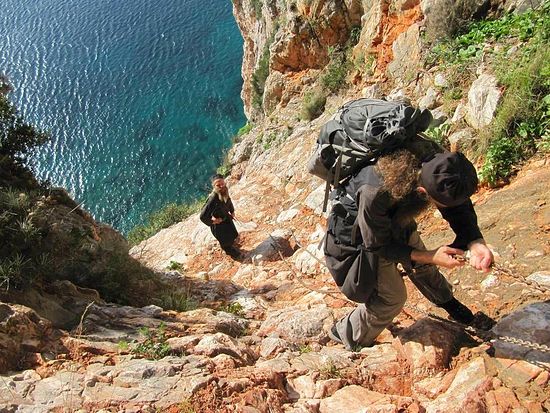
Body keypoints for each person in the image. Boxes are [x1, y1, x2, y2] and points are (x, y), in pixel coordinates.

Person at [324, 140, 494, 350]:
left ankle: (448, 303)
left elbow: (457, 205)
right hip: (360, 234)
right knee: (393, 297)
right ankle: (345, 333)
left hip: (396, 215)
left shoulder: (441, 163)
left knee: (422, 263)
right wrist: (429, 256)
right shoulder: (373, 192)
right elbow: (378, 245)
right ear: (422, 192)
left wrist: (474, 240)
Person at [200, 174, 242, 260]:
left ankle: (231, 244)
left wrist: (232, 211)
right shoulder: (212, 198)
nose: (222, 186)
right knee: (225, 240)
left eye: (222, 183)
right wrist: (213, 221)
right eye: (218, 185)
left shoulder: (224, 190)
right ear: (214, 186)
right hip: (219, 225)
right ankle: (230, 251)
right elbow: (202, 216)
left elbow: (228, 201)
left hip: (226, 218)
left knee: (232, 233)